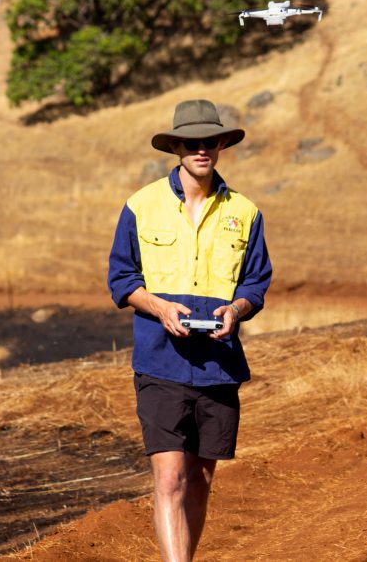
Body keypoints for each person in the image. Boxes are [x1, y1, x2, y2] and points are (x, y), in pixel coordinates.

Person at [108, 98, 271, 562]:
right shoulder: (141, 206)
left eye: (209, 141)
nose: (201, 149)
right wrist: (159, 308)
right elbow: (121, 280)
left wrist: (236, 310)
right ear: (176, 146)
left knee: (200, 480)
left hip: (219, 366)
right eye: (191, 142)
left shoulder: (246, 212)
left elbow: (256, 283)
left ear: (221, 144)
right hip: (160, 360)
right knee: (170, 479)